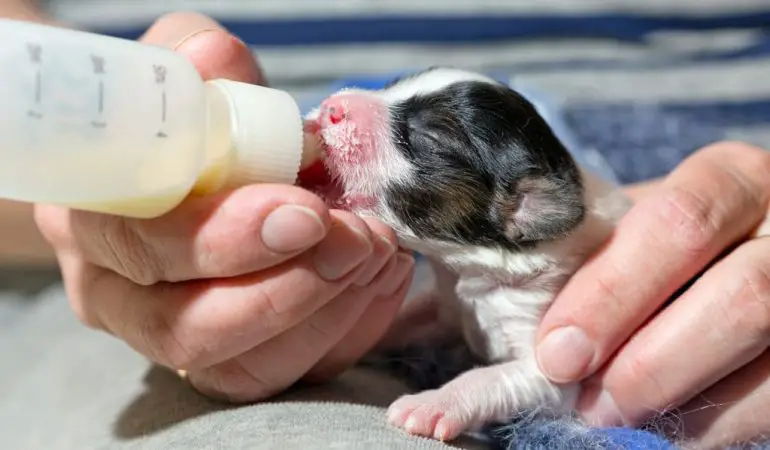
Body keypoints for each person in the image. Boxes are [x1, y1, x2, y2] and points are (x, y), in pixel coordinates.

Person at [1, 3, 769, 449]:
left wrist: (471, 390)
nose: (344, 106)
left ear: (525, 212)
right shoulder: (480, 250)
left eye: (423, 136)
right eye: (394, 99)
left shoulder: (551, 251)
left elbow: (547, 368)